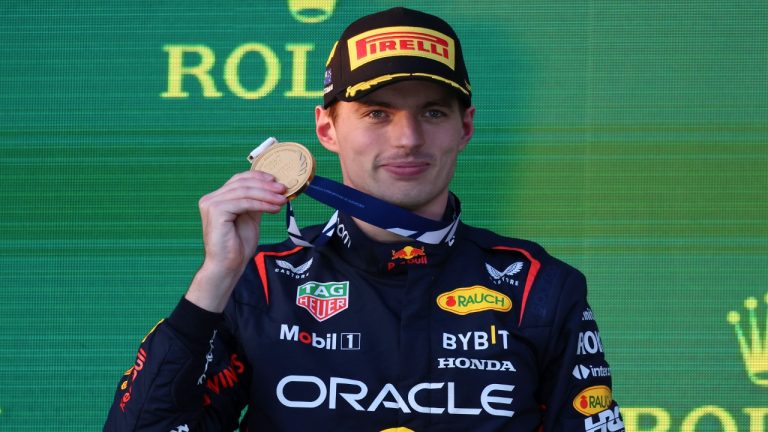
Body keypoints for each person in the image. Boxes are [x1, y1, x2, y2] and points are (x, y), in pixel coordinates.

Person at [105, 7, 624, 432]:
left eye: (433, 112)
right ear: (326, 128)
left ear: (465, 128)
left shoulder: (540, 288)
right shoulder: (260, 284)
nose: (407, 139)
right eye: (377, 112)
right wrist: (215, 279)